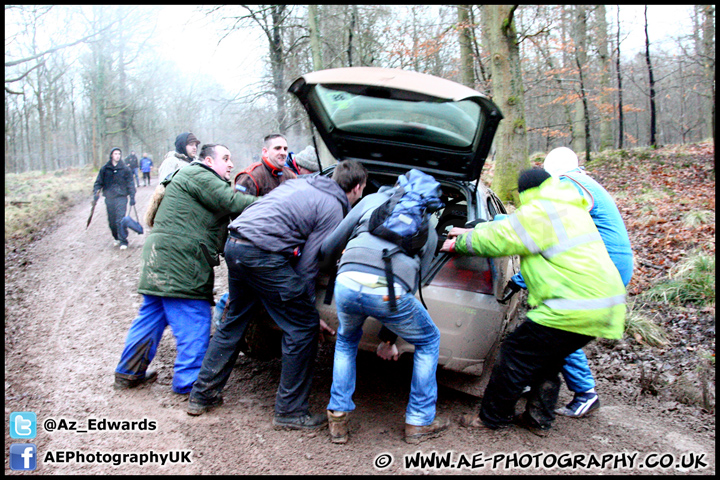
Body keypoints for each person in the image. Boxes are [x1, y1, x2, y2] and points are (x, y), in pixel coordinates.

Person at [440, 168, 626, 436]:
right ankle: (539, 419)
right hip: (604, 306)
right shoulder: (570, 209)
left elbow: (501, 238)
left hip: (571, 306)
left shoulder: (541, 211)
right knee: (547, 360)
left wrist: (460, 243)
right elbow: (509, 227)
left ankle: (492, 418)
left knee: (514, 352)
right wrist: (475, 227)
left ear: (524, 192)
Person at [187, 160, 368, 432]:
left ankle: (202, 395)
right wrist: (307, 312)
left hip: (236, 244)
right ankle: (291, 412)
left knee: (234, 320)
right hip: (262, 253)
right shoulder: (333, 207)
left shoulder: (303, 183)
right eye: (363, 189)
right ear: (356, 188)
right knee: (303, 328)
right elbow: (309, 266)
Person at [113, 144, 257, 395]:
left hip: (159, 257)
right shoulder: (201, 175)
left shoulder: (187, 176)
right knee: (194, 317)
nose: (231, 164)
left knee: (152, 316)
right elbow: (233, 202)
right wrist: (277, 202)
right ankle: (189, 383)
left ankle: (129, 371)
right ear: (209, 161)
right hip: (181, 262)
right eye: (226, 158)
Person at [318, 174, 447, 445]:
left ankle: (338, 419)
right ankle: (420, 421)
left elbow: (330, 245)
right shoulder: (429, 228)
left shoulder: (371, 201)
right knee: (429, 339)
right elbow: (412, 286)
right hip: (390, 292)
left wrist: (330, 272)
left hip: (347, 280)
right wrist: (389, 339)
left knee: (346, 341)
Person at [543, 146, 634, 418]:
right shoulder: (587, 182)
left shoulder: (570, 185)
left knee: (560, 325)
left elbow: (549, 228)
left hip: (603, 266)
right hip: (611, 262)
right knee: (557, 323)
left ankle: (585, 393)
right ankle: (537, 379)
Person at [93, 147, 136, 250]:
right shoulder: (105, 169)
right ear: (111, 155)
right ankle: (116, 237)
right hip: (109, 198)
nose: (117, 156)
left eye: (119, 154)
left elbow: (130, 183)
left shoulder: (125, 169)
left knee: (120, 219)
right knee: (112, 221)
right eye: (115, 154)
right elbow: (98, 182)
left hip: (121, 197)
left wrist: (132, 196)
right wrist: (96, 192)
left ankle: (123, 240)